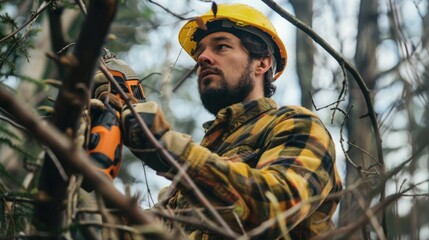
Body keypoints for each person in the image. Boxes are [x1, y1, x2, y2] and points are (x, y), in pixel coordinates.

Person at [96, 3, 342, 239]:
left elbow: (277, 206)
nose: (202, 57)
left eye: (221, 46)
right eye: (200, 51)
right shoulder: (189, 176)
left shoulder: (297, 125)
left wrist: (169, 149)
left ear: (262, 63)